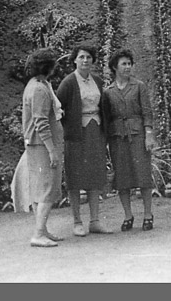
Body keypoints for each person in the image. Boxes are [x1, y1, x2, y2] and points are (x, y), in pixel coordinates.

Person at [55, 43, 113, 236]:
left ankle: (95, 221)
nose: (85, 60)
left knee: (95, 175)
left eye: (88, 57)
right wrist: (68, 125)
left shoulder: (97, 80)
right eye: (81, 57)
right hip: (76, 135)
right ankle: (77, 221)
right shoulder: (69, 82)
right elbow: (57, 107)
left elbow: (104, 105)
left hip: (95, 132)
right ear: (74, 60)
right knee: (75, 176)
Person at [10, 48, 65, 247]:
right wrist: (52, 150)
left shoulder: (34, 85)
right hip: (42, 146)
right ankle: (38, 233)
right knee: (46, 189)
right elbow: (41, 122)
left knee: (39, 189)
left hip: (36, 144)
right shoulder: (40, 89)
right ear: (48, 66)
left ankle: (42, 230)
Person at [102, 48, 157, 231]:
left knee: (142, 175)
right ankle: (128, 215)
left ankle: (148, 214)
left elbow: (147, 111)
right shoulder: (108, 92)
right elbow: (107, 117)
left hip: (138, 135)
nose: (127, 67)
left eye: (129, 64)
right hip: (118, 138)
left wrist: (148, 134)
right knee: (122, 178)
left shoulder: (139, 86)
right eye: (123, 64)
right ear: (115, 67)